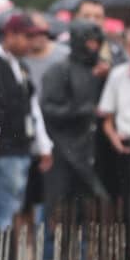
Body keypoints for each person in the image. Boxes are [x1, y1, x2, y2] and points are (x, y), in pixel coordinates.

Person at [0, 13, 53, 242]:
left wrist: (43, 145)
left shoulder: (20, 66)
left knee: (14, 206)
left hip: (21, 147)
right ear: (10, 34)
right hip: (2, 149)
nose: (31, 43)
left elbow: (32, 107)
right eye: (26, 37)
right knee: (2, 208)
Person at [41, 19, 109, 219]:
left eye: (97, 43)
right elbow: (48, 108)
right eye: (89, 42)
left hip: (93, 150)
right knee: (59, 212)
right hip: (64, 150)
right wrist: (81, 110)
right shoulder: (59, 71)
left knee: (91, 211)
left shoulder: (101, 70)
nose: (94, 47)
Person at [97, 24, 130, 205]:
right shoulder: (117, 75)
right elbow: (107, 118)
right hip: (125, 144)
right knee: (127, 200)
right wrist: (115, 140)